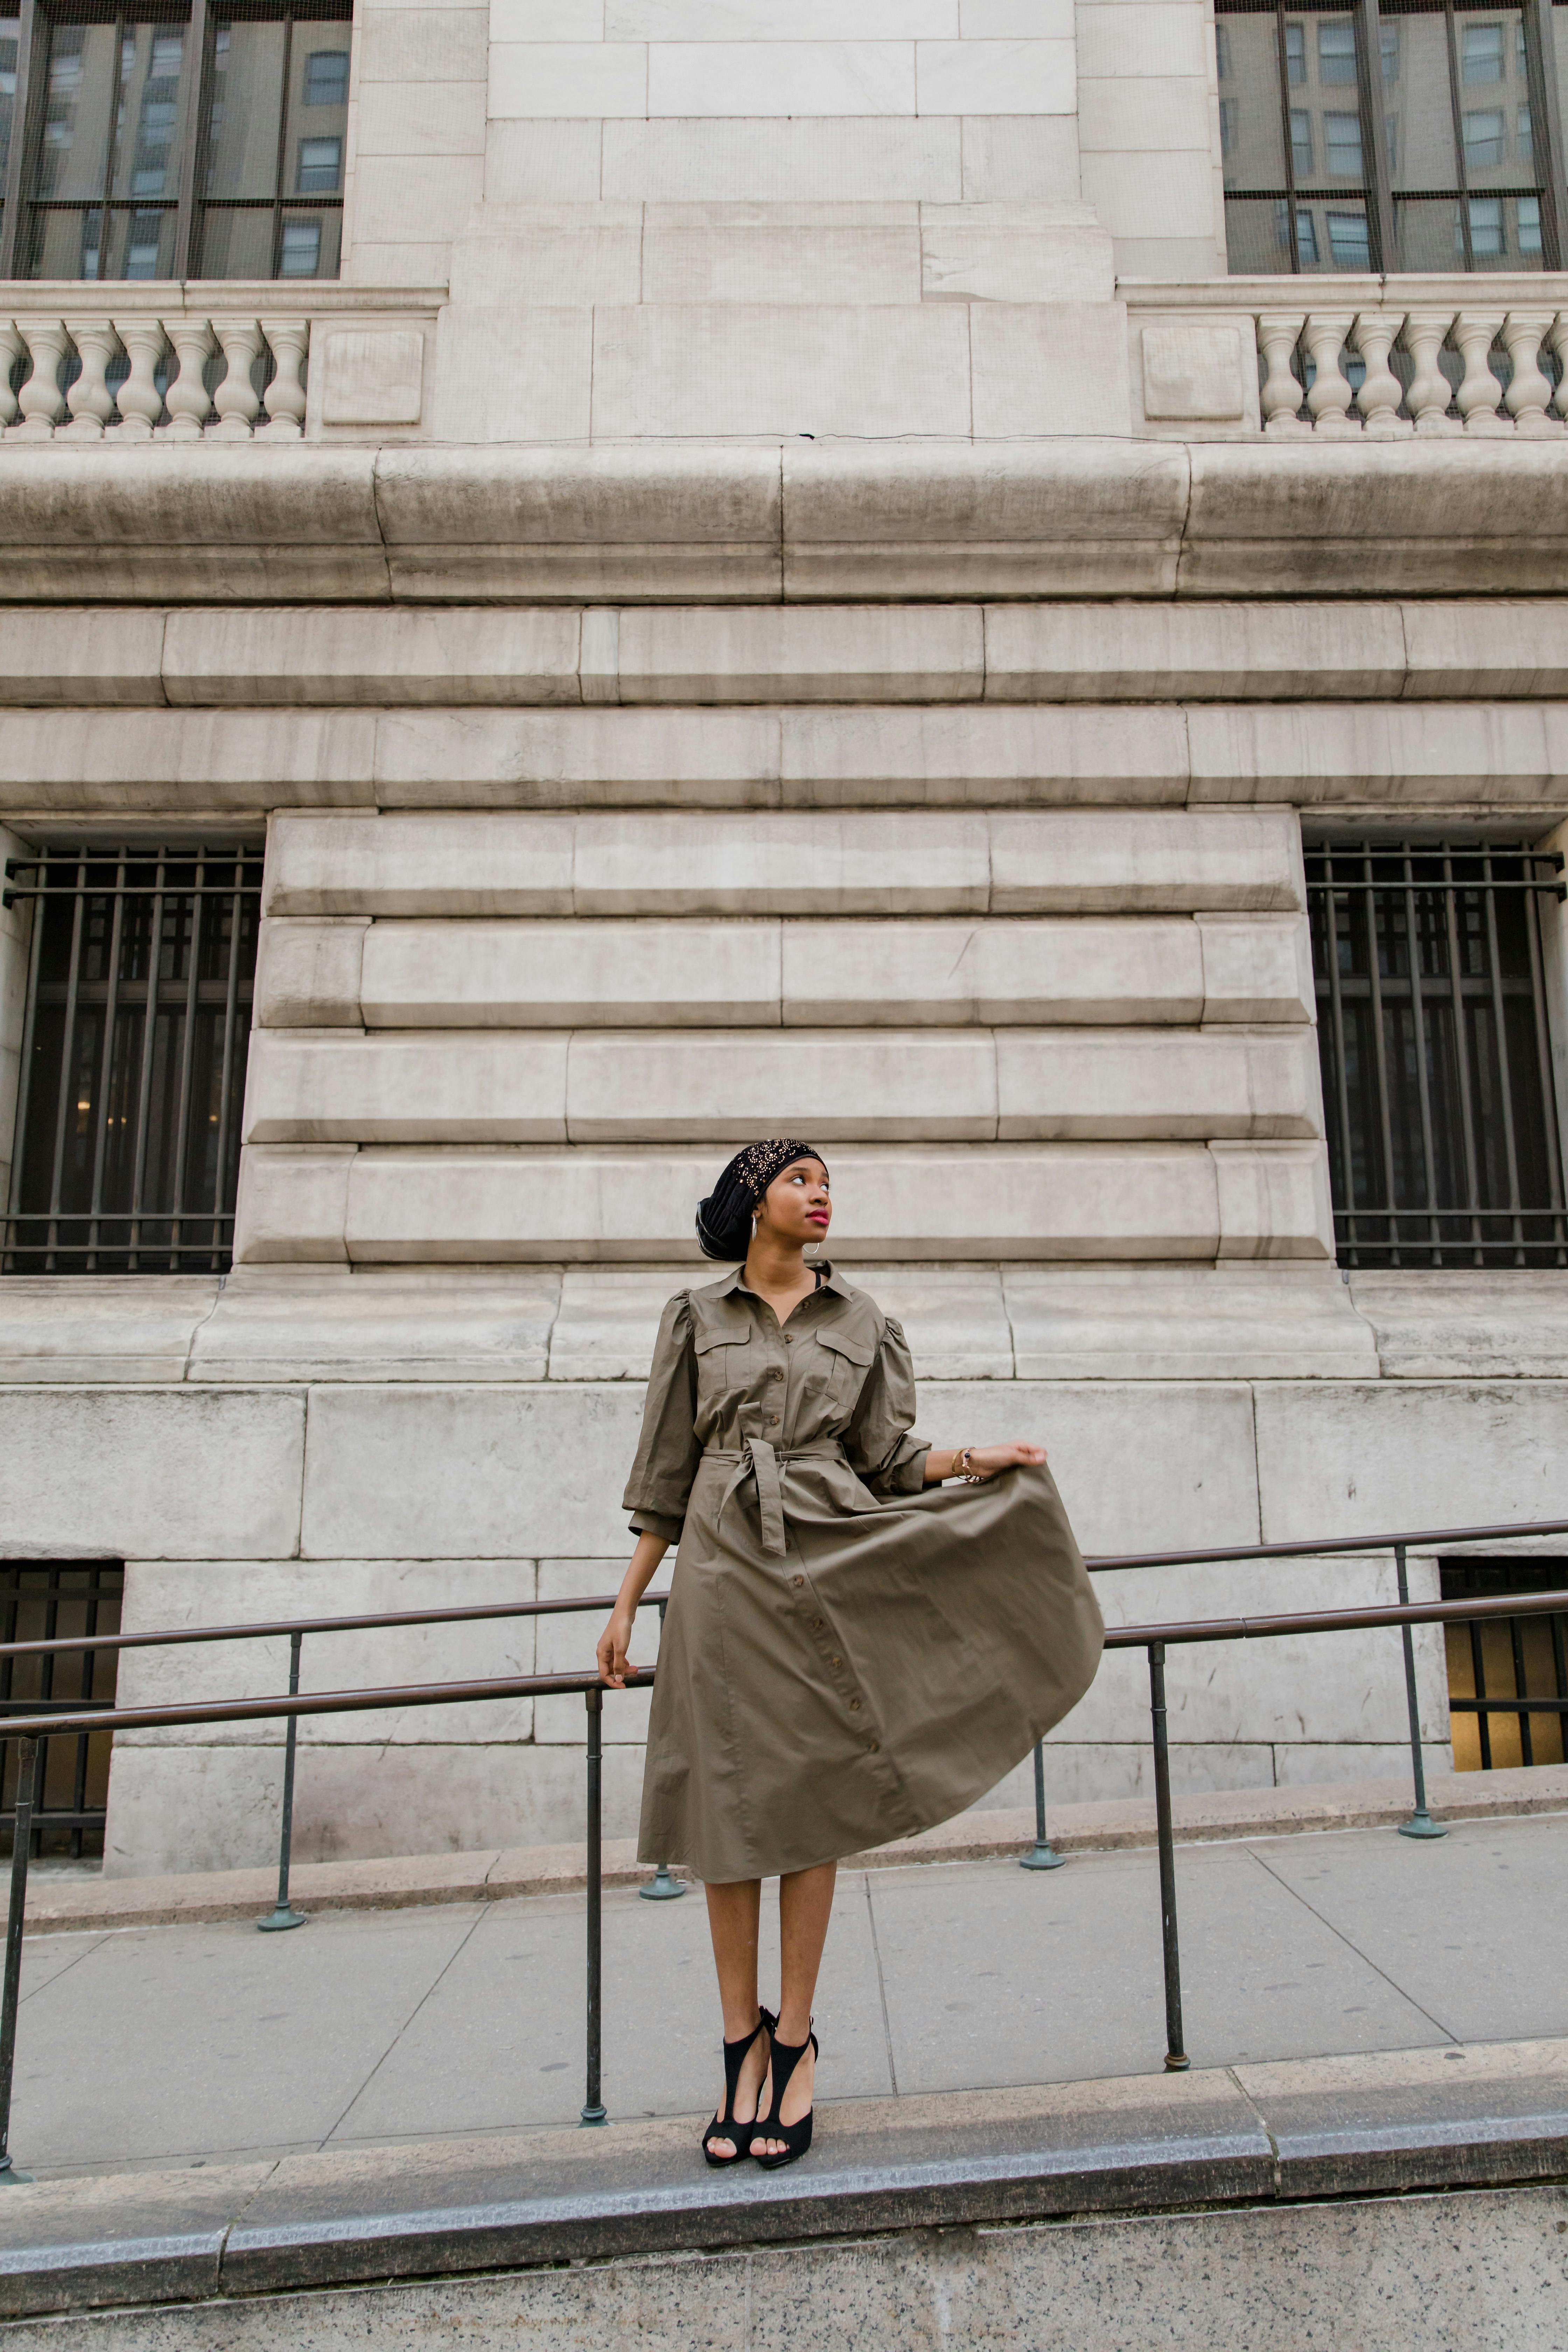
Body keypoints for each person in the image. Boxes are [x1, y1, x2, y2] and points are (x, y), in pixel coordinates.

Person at [597, 1139, 1103, 2171]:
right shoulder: (694, 1318)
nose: (822, 1196)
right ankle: (739, 2044)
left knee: (814, 1795)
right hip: (722, 1569)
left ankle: (796, 2041)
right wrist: (625, 1604)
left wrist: (978, 1461)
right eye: (800, 1181)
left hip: (826, 1547)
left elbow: (889, 1459)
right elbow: (663, 1472)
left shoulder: (864, 1322)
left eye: (828, 1184)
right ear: (754, 1202)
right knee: (726, 1807)